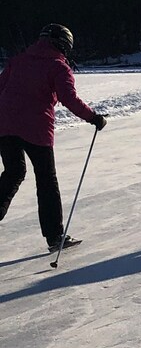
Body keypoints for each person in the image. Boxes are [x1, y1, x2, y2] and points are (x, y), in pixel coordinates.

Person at [0, 24, 107, 254]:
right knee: (46, 180)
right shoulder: (58, 66)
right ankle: (54, 236)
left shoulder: (18, 60)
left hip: (5, 126)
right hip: (36, 129)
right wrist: (93, 117)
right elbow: (69, 98)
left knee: (13, 172)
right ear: (63, 45)